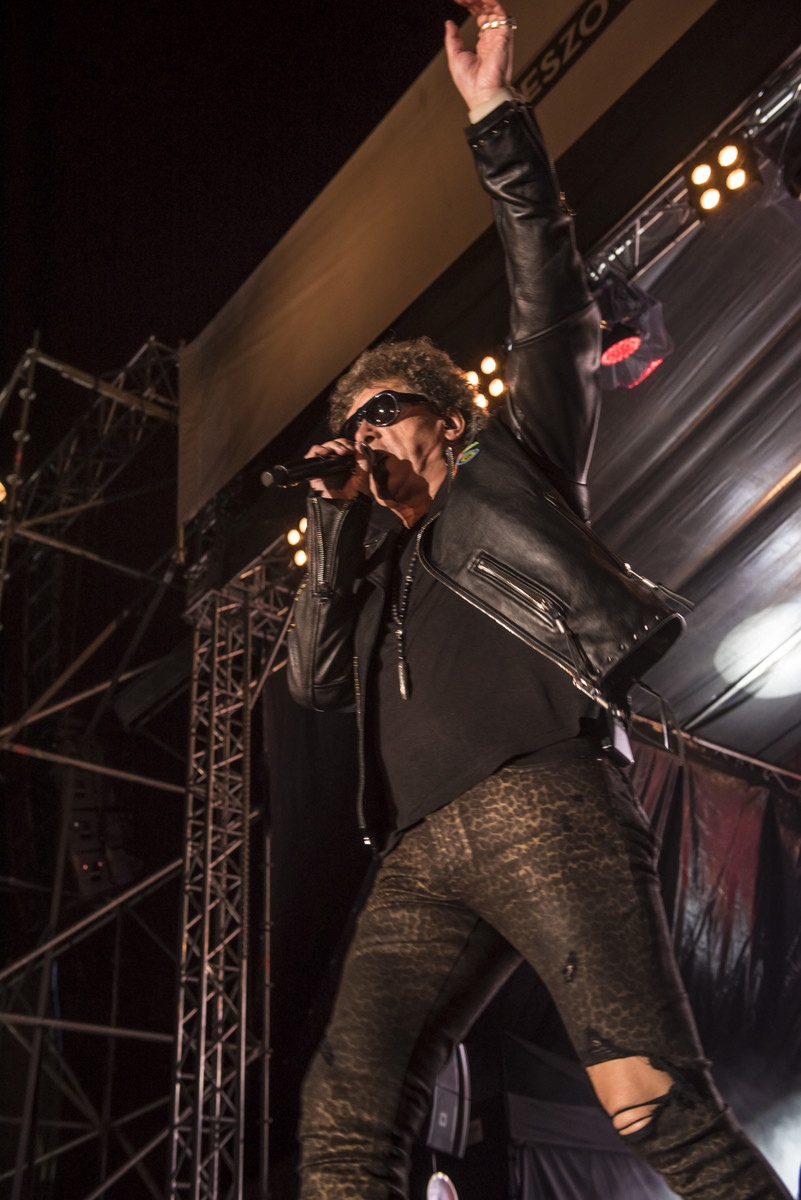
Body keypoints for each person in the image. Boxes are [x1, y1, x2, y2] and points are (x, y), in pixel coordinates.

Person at [286, 3, 792, 1197]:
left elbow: (548, 289)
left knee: (650, 1101)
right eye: (349, 425)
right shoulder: (374, 565)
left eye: (383, 412)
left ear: (447, 415)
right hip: (418, 854)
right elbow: (309, 682)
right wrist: (334, 523)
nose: (364, 435)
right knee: (343, 1117)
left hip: (545, 798)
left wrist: (495, 116)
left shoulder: (515, 464)